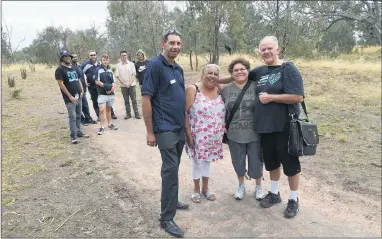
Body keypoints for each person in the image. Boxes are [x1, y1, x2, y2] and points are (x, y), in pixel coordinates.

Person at [219, 36, 304, 218]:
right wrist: (212, 80)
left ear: (277, 49)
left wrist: (272, 97)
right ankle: (274, 194)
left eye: (269, 48)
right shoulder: (260, 71)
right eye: (263, 49)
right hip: (265, 127)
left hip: (285, 126)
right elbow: (239, 74)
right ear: (259, 52)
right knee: (272, 163)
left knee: (290, 165)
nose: (266, 52)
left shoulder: (288, 68)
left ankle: (293, 199)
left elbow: (298, 97)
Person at [141, 29, 189, 238]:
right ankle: (166, 218)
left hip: (178, 127)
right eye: (172, 43)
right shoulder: (154, 66)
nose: (176, 46)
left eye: (178, 43)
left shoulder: (177, 69)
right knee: (170, 168)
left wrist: (186, 128)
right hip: (164, 127)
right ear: (163, 44)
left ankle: (171, 199)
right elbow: (146, 99)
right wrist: (150, 131)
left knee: (173, 167)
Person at [221, 58, 264, 201]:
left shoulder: (257, 86)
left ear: (248, 71)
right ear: (231, 74)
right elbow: (220, 109)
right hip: (234, 132)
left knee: (256, 161)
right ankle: (241, 185)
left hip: (254, 132)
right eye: (236, 70)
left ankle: (258, 186)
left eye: (242, 69)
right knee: (237, 161)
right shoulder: (226, 89)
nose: (239, 72)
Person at [185, 64, 225, 203]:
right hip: (197, 135)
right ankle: (196, 189)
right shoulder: (193, 89)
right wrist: (188, 134)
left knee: (207, 161)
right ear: (202, 75)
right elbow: (184, 112)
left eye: (215, 74)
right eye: (209, 73)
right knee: (196, 162)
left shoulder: (219, 90)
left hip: (214, 136)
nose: (212, 76)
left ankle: (206, 188)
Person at [55, 50, 89, 144]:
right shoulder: (60, 70)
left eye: (69, 56)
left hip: (79, 96)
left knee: (78, 115)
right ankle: (73, 136)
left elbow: (78, 80)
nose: (68, 58)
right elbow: (61, 84)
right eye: (66, 56)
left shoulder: (73, 68)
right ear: (62, 58)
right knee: (72, 116)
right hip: (69, 98)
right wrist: (70, 96)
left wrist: (82, 90)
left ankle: (78, 132)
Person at [82, 51, 117, 121]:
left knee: (106, 99)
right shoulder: (85, 65)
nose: (93, 56)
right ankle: (99, 116)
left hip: (101, 86)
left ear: (96, 55)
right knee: (95, 101)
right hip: (92, 87)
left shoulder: (100, 63)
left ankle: (111, 114)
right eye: (91, 55)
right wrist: (84, 82)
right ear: (89, 56)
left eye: (94, 55)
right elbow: (80, 74)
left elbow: (108, 71)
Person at [95, 54, 119, 135]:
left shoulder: (110, 71)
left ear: (108, 61)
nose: (105, 61)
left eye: (106, 60)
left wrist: (111, 89)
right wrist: (106, 87)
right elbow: (97, 81)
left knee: (109, 109)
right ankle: (102, 127)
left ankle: (110, 124)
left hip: (110, 94)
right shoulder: (98, 70)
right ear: (101, 61)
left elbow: (114, 82)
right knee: (102, 110)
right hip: (102, 94)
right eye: (104, 60)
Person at [71, 53, 97, 125]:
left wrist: (85, 82)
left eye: (76, 57)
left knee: (85, 104)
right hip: (76, 90)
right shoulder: (70, 67)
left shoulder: (79, 66)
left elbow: (82, 76)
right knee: (78, 106)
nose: (75, 58)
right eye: (73, 57)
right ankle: (82, 120)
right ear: (70, 58)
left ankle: (88, 118)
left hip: (83, 89)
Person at [115, 50, 141, 119]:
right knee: (126, 100)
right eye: (122, 55)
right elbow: (118, 76)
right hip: (123, 86)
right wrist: (124, 83)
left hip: (132, 85)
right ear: (120, 56)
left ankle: (136, 113)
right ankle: (128, 114)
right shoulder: (118, 65)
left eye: (125, 55)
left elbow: (134, 74)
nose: (124, 57)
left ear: (127, 56)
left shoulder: (131, 64)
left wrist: (129, 83)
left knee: (134, 100)